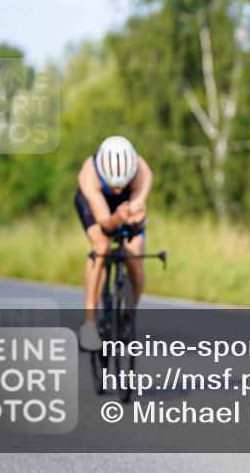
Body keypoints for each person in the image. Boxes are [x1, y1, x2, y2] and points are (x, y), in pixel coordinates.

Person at [74, 135, 153, 351]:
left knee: (135, 257)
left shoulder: (142, 172)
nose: (117, 190)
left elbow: (137, 213)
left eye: (122, 185)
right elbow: (106, 225)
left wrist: (135, 218)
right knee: (101, 247)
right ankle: (89, 323)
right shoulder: (89, 174)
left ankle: (128, 316)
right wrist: (117, 218)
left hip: (128, 204)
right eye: (113, 186)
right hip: (97, 204)